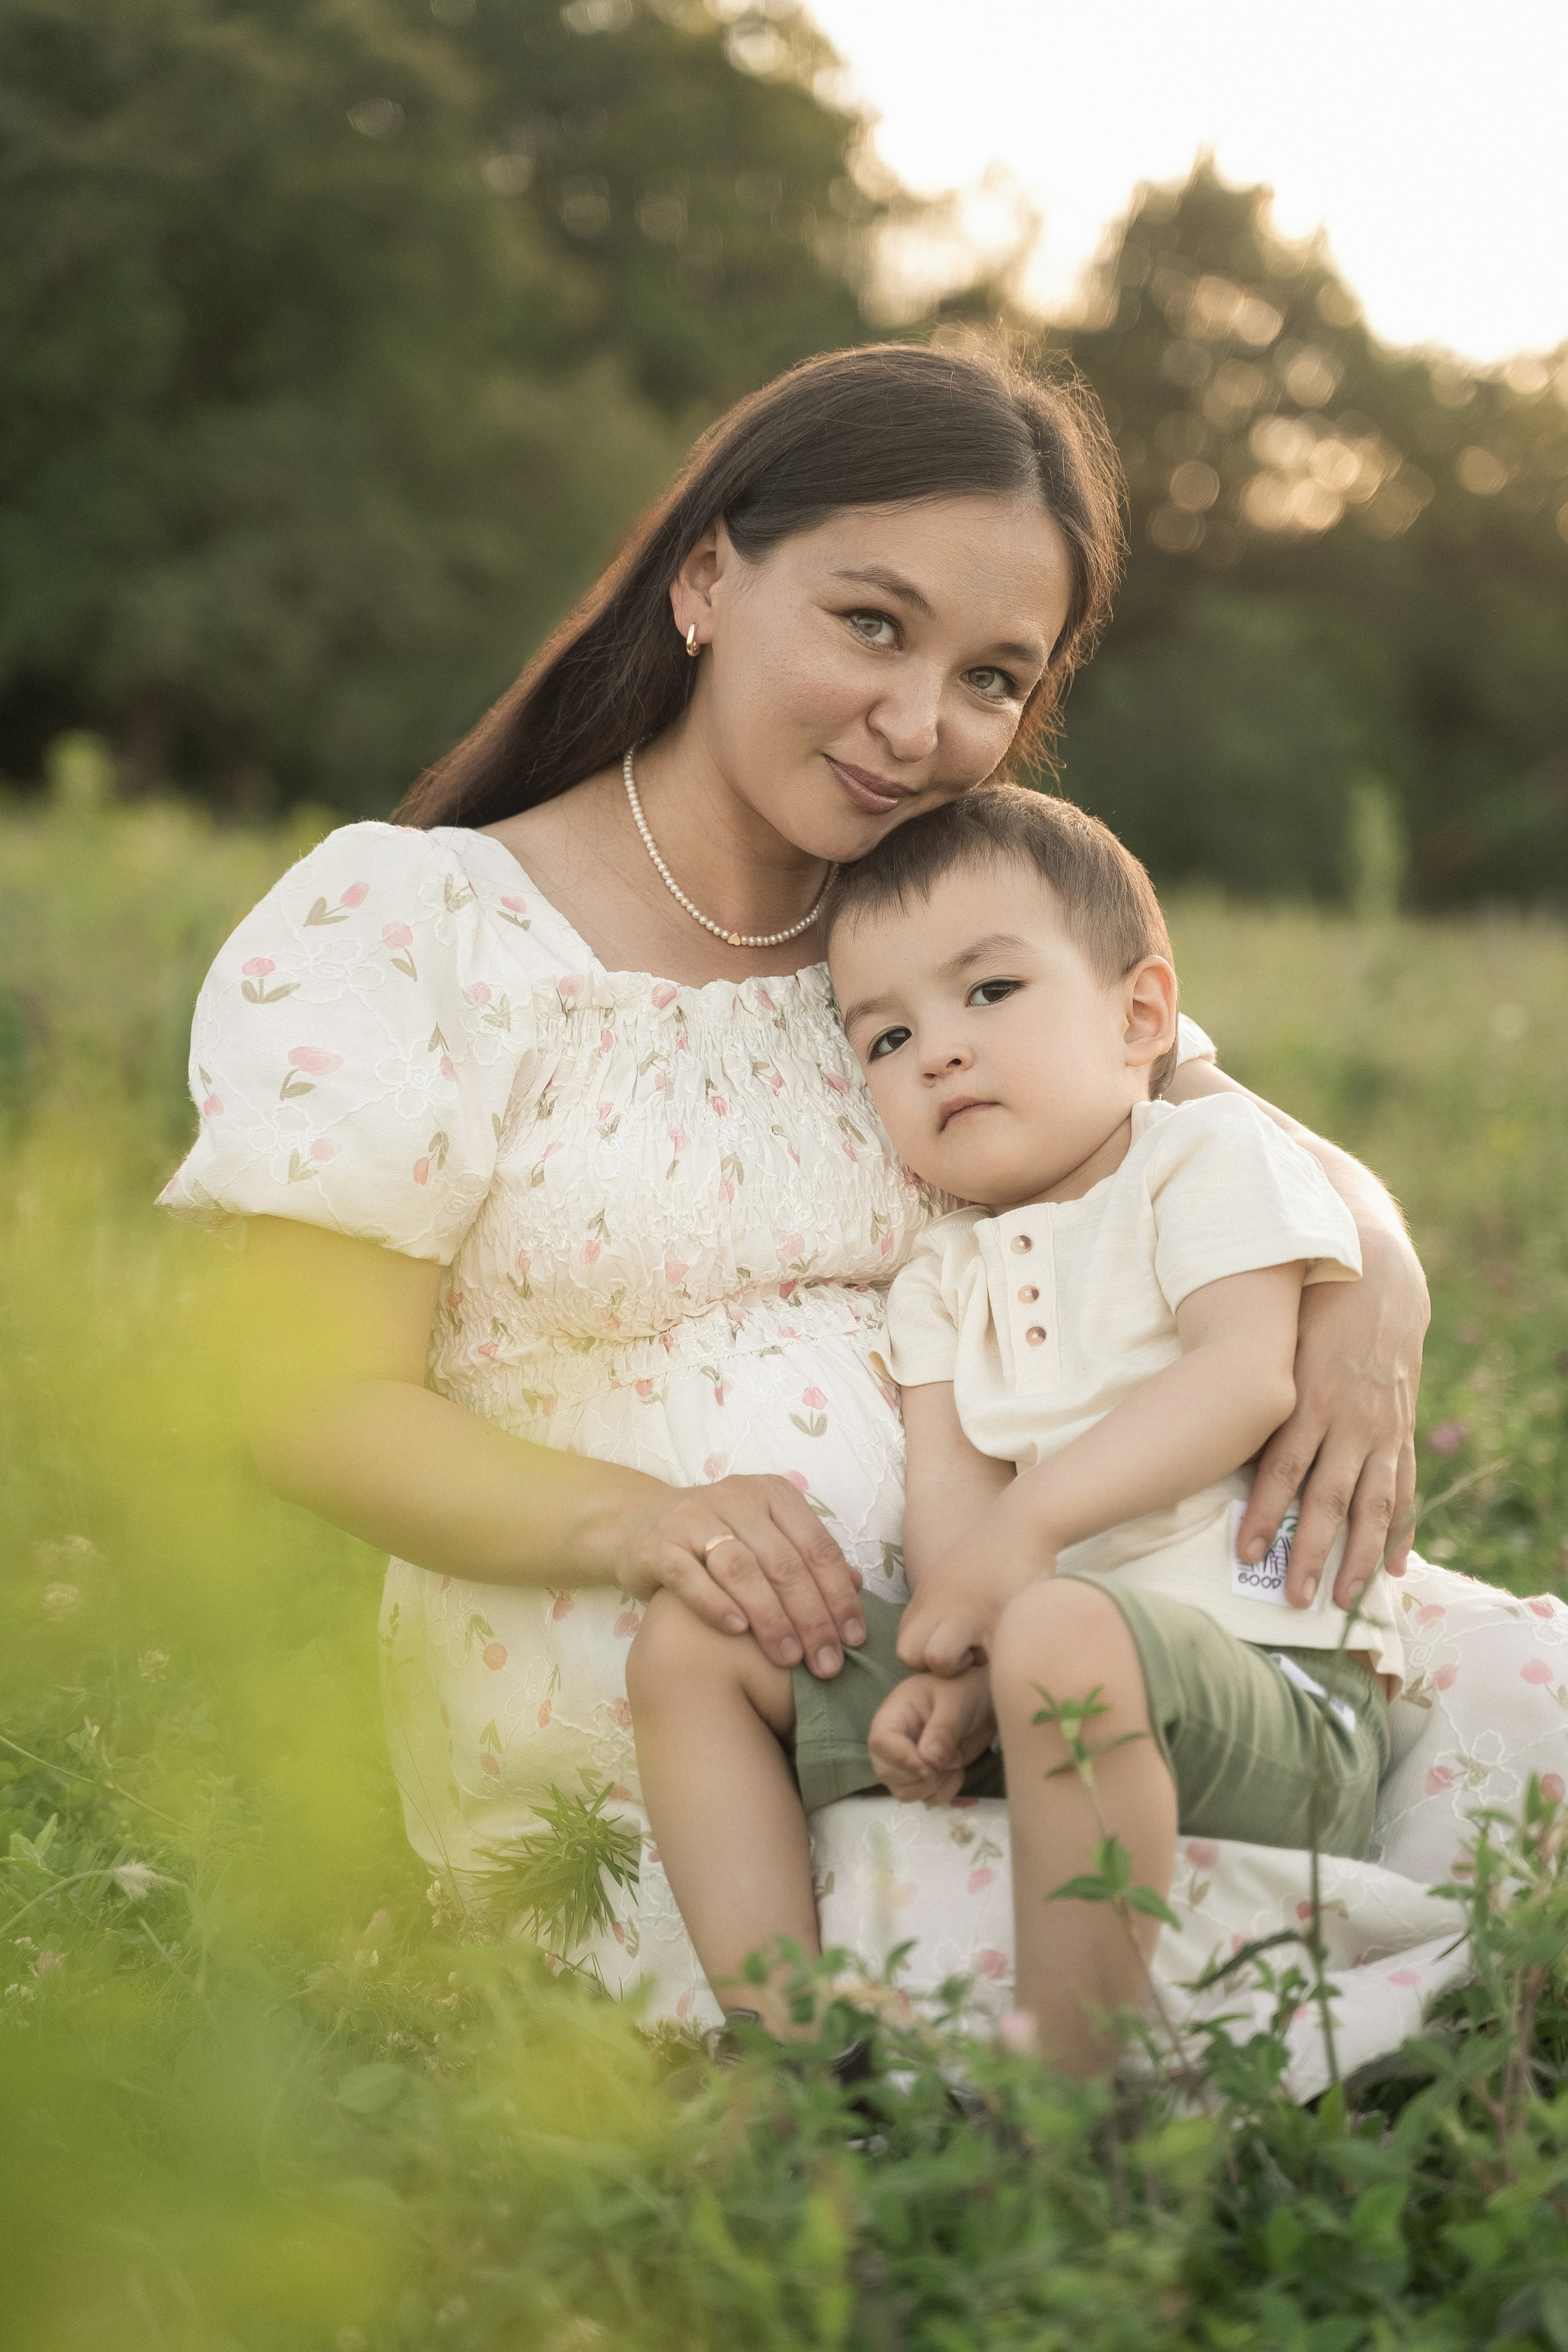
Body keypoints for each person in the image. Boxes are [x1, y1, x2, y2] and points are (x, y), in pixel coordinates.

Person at [157, 341, 1428, 2025]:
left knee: (1462, 1761)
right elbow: (309, 1409)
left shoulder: (938, 938)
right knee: (1109, 1975)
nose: (919, 726)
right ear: (704, 579)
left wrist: (1382, 1268)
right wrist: (637, 1519)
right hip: (668, 1699)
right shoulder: (420, 925)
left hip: (1047, 1641)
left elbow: (1206, 1107)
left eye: (991, 678)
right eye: (872, 624)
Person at [630, 786, 1407, 2071]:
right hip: (1034, 1679)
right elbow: (951, 1503)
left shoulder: (1203, 1157)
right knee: (694, 1645)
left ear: (1139, 1018)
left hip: (1270, 1690)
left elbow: (1242, 1378)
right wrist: (950, 1666)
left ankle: (1071, 2100)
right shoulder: (943, 1275)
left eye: (988, 992)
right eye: (887, 1038)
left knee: (1053, 1621)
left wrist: (1030, 1535)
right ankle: (789, 2053)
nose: (937, 1052)